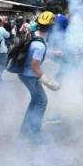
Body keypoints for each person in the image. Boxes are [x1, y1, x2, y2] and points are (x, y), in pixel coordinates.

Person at [19, 11, 60, 144]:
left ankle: (25, 130)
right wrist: (49, 82)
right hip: (30, 76)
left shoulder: (35, 37)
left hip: (24, 74)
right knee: (42, 102)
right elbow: (35, 66)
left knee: (35, 101)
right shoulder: (40, 45)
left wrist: (53, 52)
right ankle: (34, 135)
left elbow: (34, 52)